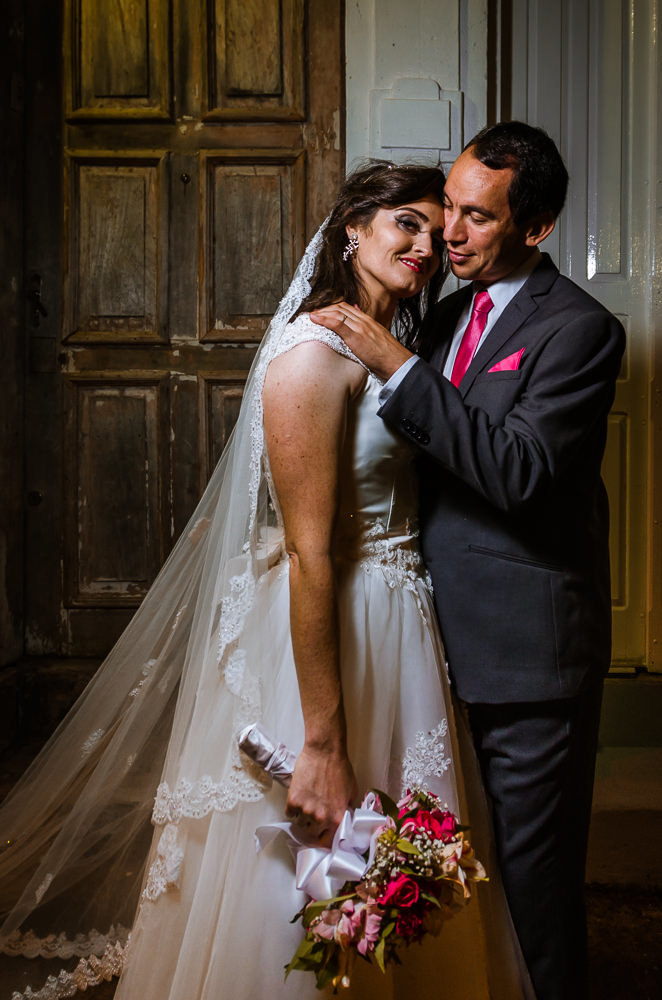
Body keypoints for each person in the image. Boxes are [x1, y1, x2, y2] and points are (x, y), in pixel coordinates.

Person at [0, 163, 533, 999]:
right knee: (312, 856)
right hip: (334, 629)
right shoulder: (312, 354)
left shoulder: (404, 347)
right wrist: (320, 742)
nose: (427, 244)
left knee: (404, 863)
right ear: (352, 228)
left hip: (401, 629)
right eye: (406, 223)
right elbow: (309, 552)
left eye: (438, 229)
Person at [311, 121, 626, 1000]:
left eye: (476, 217)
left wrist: (393, 364)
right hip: (428, 645)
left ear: (537, 227)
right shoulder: (447, 310)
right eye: (447, 205)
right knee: (448, 878)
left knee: (533, 888)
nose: (446, 230)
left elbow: (517, 472)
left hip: (528, 660)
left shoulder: (581, 331)